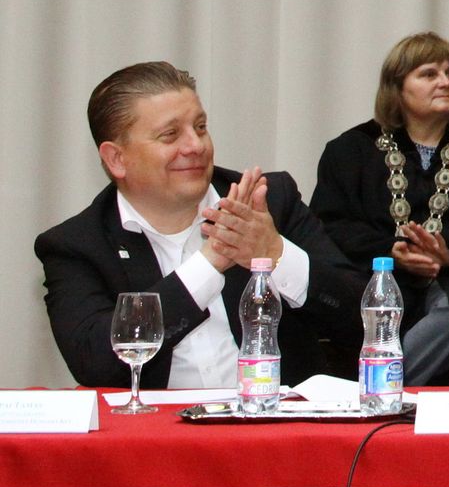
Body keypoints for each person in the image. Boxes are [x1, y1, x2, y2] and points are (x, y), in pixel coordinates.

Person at [35, 61, 362, 388]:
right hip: (159, 422)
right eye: (170, 134)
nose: (195, 146)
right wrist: (208, 264)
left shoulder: (268, 203)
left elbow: (365, 322)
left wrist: (275, 253)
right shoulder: (78, 245)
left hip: (279, 416)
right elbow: (96, 364)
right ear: (117, 159)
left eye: (201, 127)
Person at [311, 32, 449, 384]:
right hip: (380, 277)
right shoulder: (351, 150)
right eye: (429, 74)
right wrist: (392, 252)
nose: (445, 82)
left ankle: (382, 387)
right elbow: (331, 226)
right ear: (397, 88)